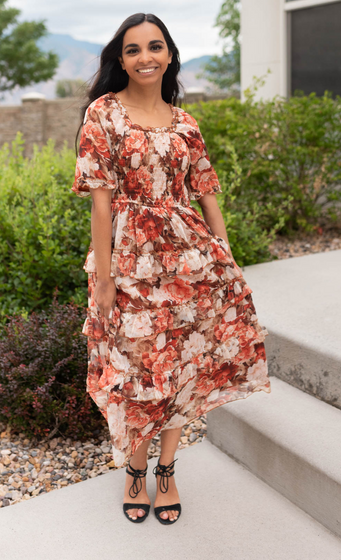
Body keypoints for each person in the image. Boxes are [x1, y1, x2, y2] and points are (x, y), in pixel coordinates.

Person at [71, 13, 271, 525]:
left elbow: (205, 193)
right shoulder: (104, 114)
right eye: (133, 49)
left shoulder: (185, 122)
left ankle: (166, 469)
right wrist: (107, 279)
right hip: (130, 262)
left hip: (191, 262)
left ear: (169, 55)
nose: (145, 57)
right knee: (136, 370)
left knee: (183, 362)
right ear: (121, 59)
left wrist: (224, 256)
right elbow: (100, 204)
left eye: (155, 47)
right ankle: (134, 470)